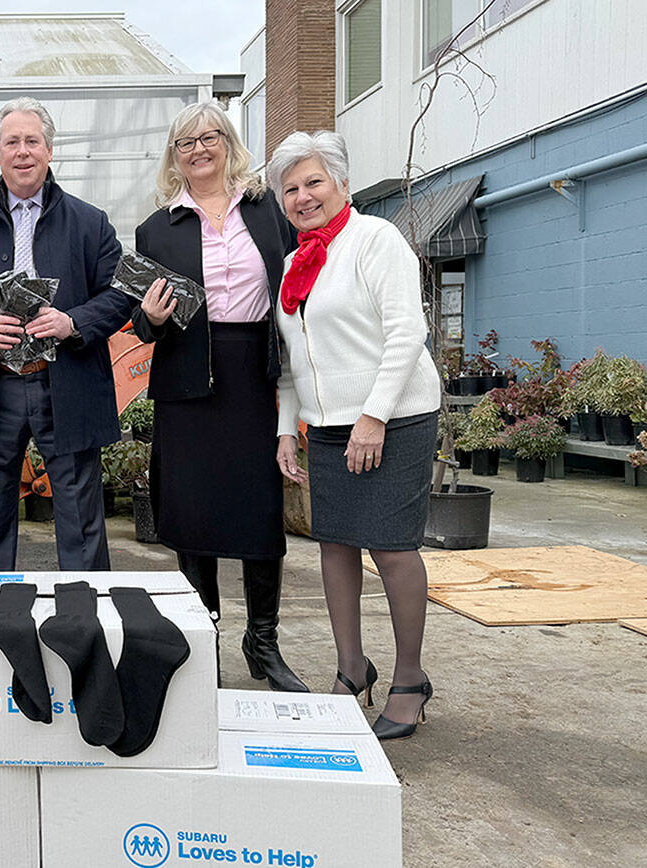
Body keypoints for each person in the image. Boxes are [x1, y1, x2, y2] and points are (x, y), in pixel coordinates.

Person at [267, 130, 442, 739]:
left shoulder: (375, 239)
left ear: (341, 183)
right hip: (329, 426)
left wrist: (374, 415)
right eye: (290, 188)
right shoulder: (294, 264)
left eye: (314, 182)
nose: (302, 196)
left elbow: (406, 332)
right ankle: (351, 669)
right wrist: (288, 431)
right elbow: (291, 361)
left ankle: (410, 679)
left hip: (394, 418)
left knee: (392, 549)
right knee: (334, 545)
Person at [132, 102, 307, 693]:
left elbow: (295, 289)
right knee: (193, 513)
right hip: (186, 380)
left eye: (210, 138)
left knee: (260, 513)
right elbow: (143, 323)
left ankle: (263, 643)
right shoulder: (157, 229)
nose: (199, 150)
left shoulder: (267, 211)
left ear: (228, 144)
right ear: (174, 156)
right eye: (186, 143)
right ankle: (203, 639)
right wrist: (148, 319)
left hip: (253, 375)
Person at [0, 96, 131, 570]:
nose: (22, 151)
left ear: (49, 150)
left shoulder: (90, 222)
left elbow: (122, 293)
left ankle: (84, 620)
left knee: (80, 512)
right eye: (11, 142)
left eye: (32, 141)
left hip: (67, 380)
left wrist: (73, 321)